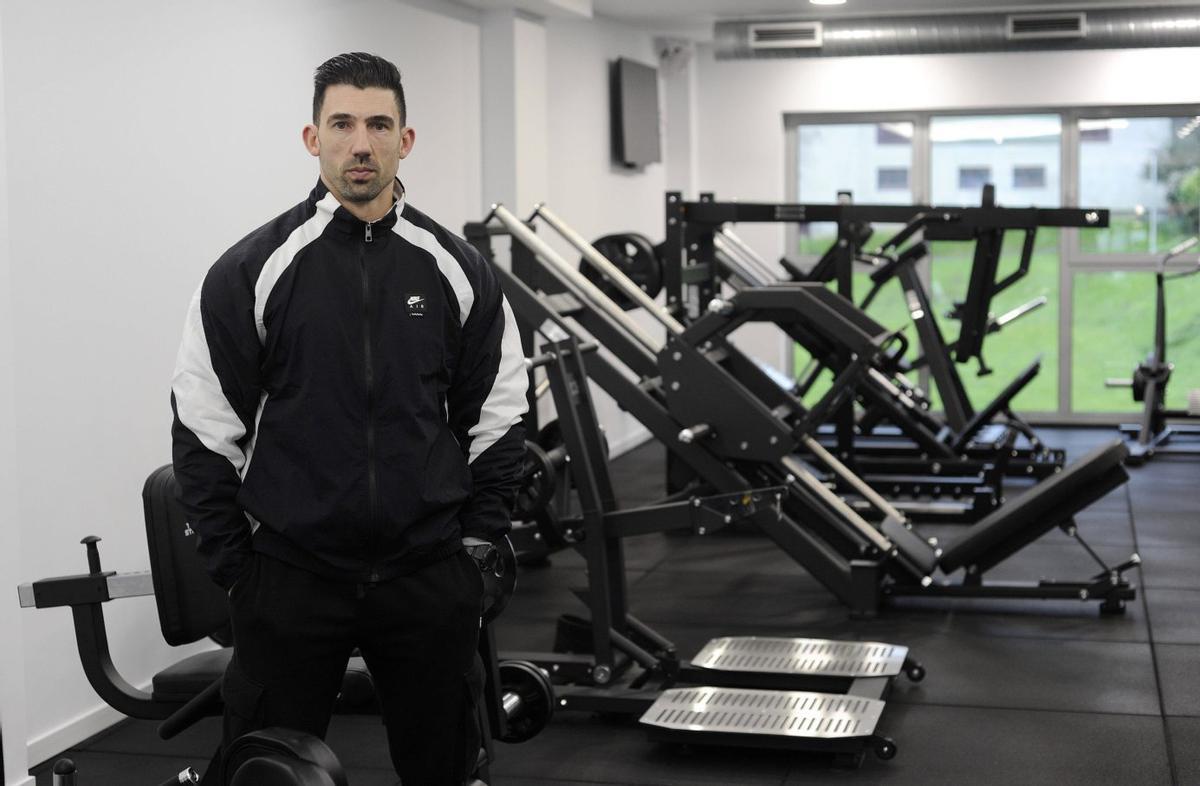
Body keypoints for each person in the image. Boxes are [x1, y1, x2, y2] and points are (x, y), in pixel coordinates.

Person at [170, 52, 528, 785]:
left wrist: (477, 546)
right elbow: (204, 425)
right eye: (341, 124)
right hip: (293, 575)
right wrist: (240, 570)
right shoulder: (253, 269)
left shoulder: (458, 269)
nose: (360, 144)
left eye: (378, 125)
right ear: (313, 138)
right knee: (265, 772)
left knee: (445, 770)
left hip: (426, 572)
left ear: (405, 139)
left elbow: (497, 415)